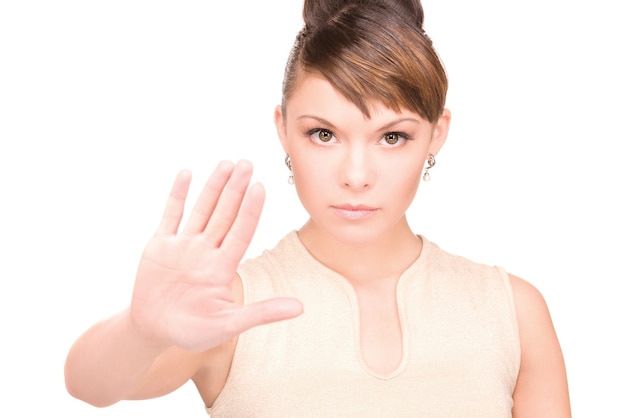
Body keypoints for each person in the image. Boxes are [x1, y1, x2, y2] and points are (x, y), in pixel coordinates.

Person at [64, 0, 571, 416]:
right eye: (323, 134)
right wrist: (140, 328)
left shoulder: (512, 311)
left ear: (437, 133)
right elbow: (89, 385)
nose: (355, 175)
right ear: (283, 128)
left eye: (392, 137)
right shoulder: (228, 310)